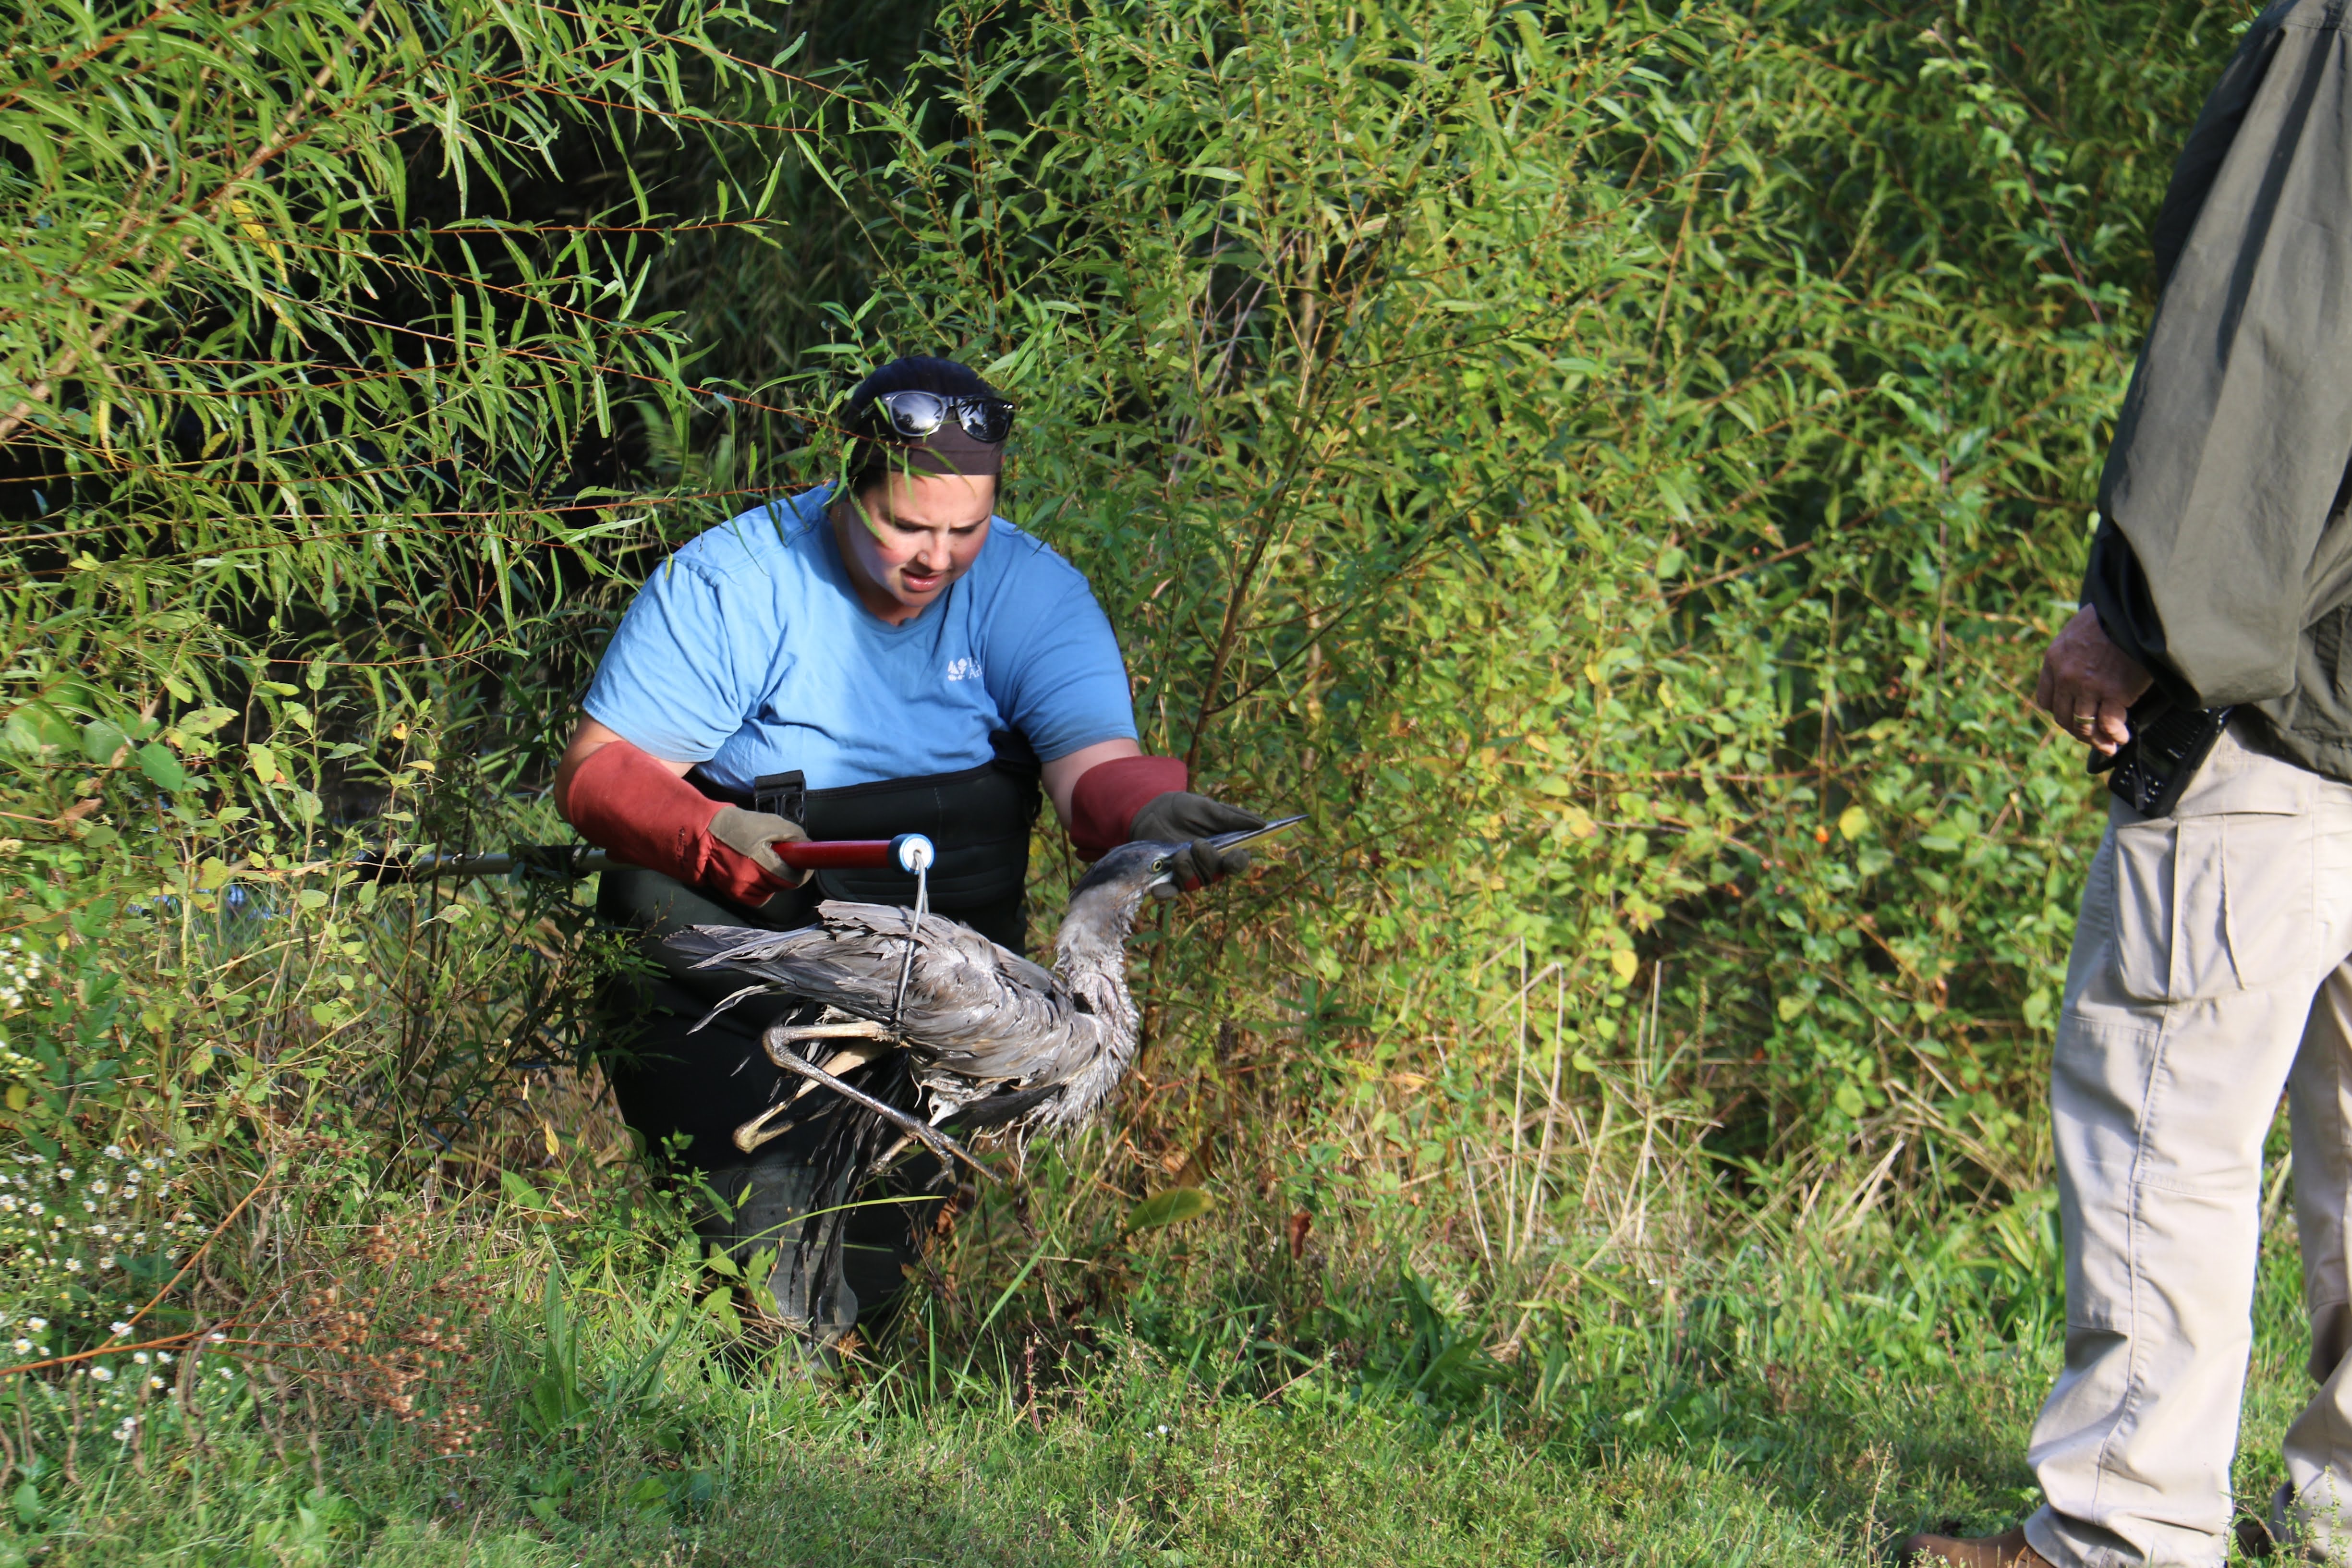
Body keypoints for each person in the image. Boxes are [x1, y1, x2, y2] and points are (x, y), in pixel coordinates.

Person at [1900, 5, 2352, 1567]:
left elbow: (2272, 338)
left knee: (2163, 1110)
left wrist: (2140, 618)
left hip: (2286, 715)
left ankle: (2115, 1537)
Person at [551, 355, 1265, 1343]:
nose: (934, 556)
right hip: (733, 931)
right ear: (850, 486)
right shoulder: (733, 580)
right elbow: (594, 772)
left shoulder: (1034, 594)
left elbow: (1093, 776)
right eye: (907, 525)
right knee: (765, 1260)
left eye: (962, 530)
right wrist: (713, 831)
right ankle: (731, 1440)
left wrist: (1157, 815)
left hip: (939, 963)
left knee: (869, 1274)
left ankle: (818, 1442)